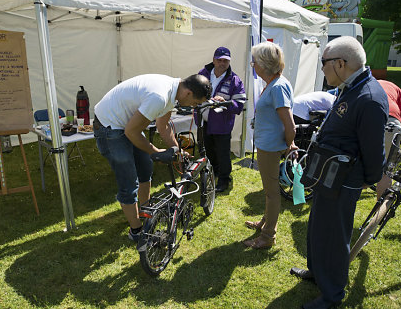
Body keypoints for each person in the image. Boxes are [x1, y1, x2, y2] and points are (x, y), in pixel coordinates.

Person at [290, 36, 388, 309]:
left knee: (334, 236)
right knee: (319, 228)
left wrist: (367, 180)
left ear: (341, 63)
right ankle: (317, 272)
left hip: (344, 180)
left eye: (324, 63)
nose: (322, 70)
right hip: (329, 173)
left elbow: (373, 151)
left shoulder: (368, 97)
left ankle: (332, 295)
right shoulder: (351, 87)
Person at [93, 74, 212, 242]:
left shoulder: (174, 91)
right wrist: (155, 151)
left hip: (127, 124)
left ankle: (146, 212)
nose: (194, 107)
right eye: (195, 103)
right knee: (128, 181)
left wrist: (175, 149)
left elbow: (162, 126)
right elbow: (131, 132)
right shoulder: (160, 96)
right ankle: (136, 231)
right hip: (109, 125)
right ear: (189, 93)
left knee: (145, 169)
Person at [243, 41, 297, 249]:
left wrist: (288, 145)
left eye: (254, 61)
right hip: (268, 145)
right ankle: (265, 223)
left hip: (271, 147)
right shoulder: (274, 84)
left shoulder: (278, 86)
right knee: (270, 190)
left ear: (264, 64)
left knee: (272, 192)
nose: (252, 64)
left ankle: (267, 236)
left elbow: (290, 124)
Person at [197, 46, 246, 192]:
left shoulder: (235, 80)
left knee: (223, 153)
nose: (222, 63)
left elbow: (239, 104)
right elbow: (194, 91)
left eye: (226, 60)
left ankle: (224, 180)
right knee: (208, 150)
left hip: (222, 124)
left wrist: (224, 102)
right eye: (219, 60)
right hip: (203, 121)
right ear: (214, 60)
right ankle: (213, 173)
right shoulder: (203, 73)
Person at [376, 79, 401, 199]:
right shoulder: (397, 89)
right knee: (386, 172)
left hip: (365, 118)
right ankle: (379, 214)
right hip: (390, 121)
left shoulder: (367, 84)